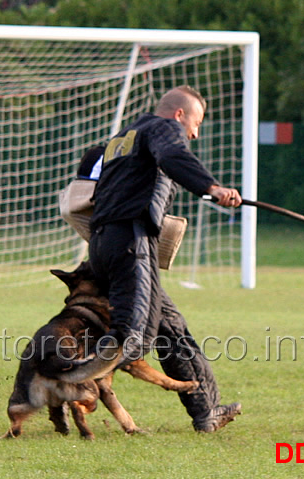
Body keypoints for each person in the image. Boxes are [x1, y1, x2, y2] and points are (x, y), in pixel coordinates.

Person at [88, 85, 242, 432]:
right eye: (195, 122)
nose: (194, 133)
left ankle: (207, 411)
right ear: (178, 114)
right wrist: (212, 187)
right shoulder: (163, 129)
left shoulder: (121, 139)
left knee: (171, 329)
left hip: (104, 243)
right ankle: (65, 375)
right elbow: (174, 156)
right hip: (130, 241)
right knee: (134, 337)